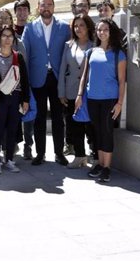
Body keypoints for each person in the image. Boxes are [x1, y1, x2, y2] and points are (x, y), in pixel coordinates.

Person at [21, 0, 71, 166]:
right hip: (37, 79)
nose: (47, 8)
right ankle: (40, 153)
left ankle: (59, 153)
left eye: (50, 5)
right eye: (43, 5)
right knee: (39, 117)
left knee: (58, 117)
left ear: (54, 7)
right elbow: (25, 56)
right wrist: (25, 80)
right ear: (38, 7)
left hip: (57, 78)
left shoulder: (64, 27)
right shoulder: (30, 28)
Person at [75, 19, 127, 183]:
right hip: (92, 98)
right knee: (96, 131)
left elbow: (121, 80)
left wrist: (119, 103)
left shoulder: (118, 54)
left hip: (109, 99)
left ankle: (106, 167)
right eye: (99, 30)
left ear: (111, 32)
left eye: (105, 29)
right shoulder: (91, 52)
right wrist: (79, 95)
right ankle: (99, 163)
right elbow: (84, 75)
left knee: (106, 132)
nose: (102, 32)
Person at [0, 25, 30, 173]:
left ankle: (9, 159)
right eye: (4, 35)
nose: (7, 39)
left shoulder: (18, 56)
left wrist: (26, 100)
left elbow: (24, 80)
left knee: (12, 129)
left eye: (10, 36)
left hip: (16, 98)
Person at [59, 14, 95, 168]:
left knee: (91, 126)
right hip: (71, 90)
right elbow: (62, 69)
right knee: (75, 125)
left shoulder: (95, 44)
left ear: (88, 27)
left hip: (90, 91)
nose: (78, 29)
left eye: (81, 25)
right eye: (75, 26)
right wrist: (61, 91)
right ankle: (79, 156)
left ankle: (95, 156)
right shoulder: (68, 45)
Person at [14, 0, 34, 159]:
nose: (22, 13)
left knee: (28, 112)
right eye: (19, 10)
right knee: (14, 113)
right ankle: (13, 144)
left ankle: (29, 144)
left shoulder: (34, 29)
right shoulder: (10, 31)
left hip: (30, 78)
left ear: (29, 12)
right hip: (13, 80)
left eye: (24, 9)